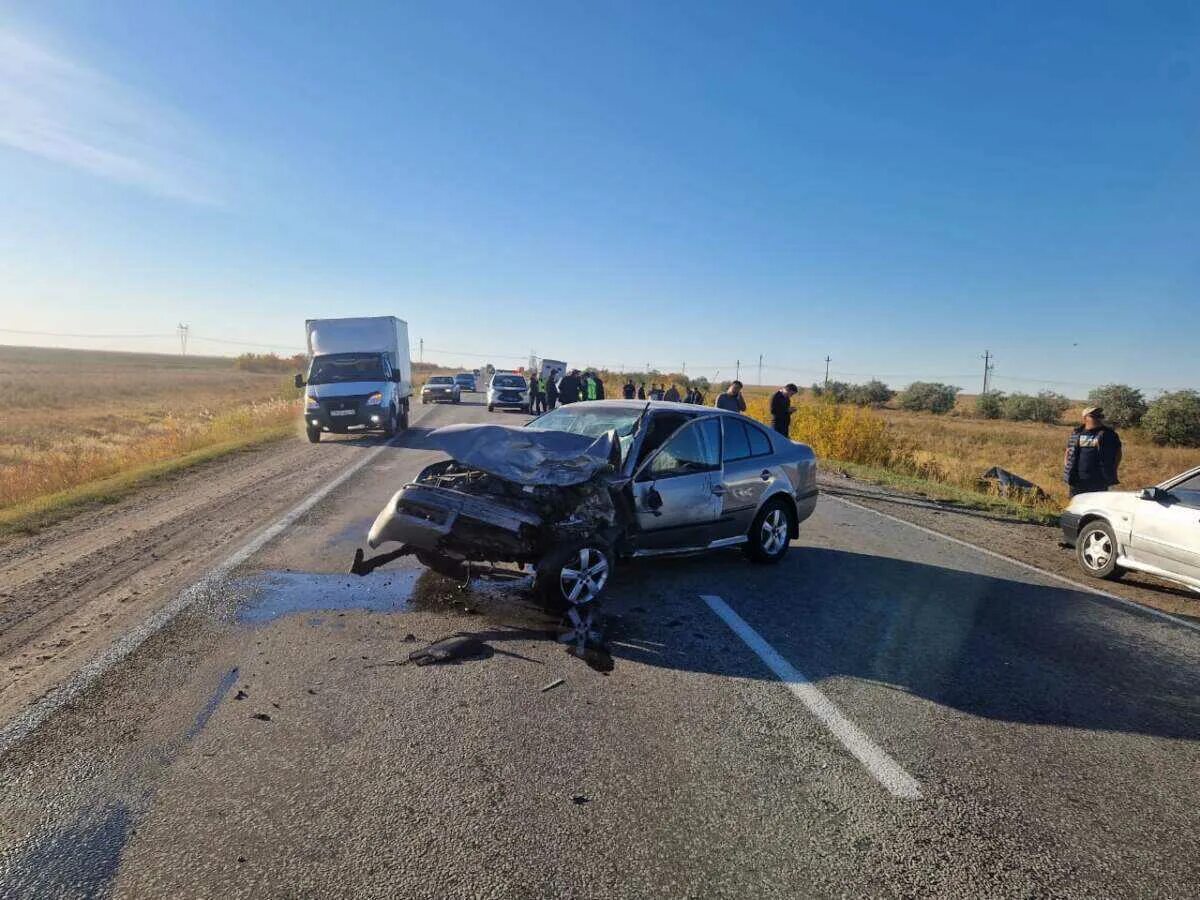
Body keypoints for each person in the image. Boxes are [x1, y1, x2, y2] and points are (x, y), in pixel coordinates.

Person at [1064, 406, 1122, 496]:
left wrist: (1112, 469)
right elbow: (1068, 451)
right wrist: (1068, 467)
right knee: (1076, 506)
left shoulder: (1109, 434)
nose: (1098, 418)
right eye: (1093, 416)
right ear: (1084, 418)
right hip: (1077, 479)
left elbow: (1118, 454)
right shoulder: (1077, 433)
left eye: (1100, 416)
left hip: (1099, 480)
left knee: (1096, 506)